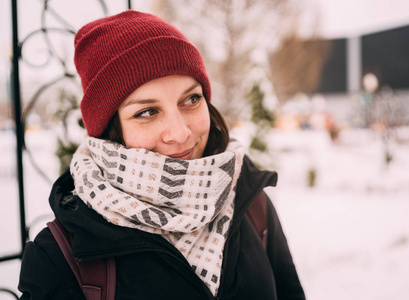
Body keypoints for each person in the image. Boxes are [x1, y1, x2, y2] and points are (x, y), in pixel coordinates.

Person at [18, 10, 306, 300]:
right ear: (109, 131)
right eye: (147, 112)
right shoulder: (58, 258)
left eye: (191, 99)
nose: (180, 133)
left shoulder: (249, 201)